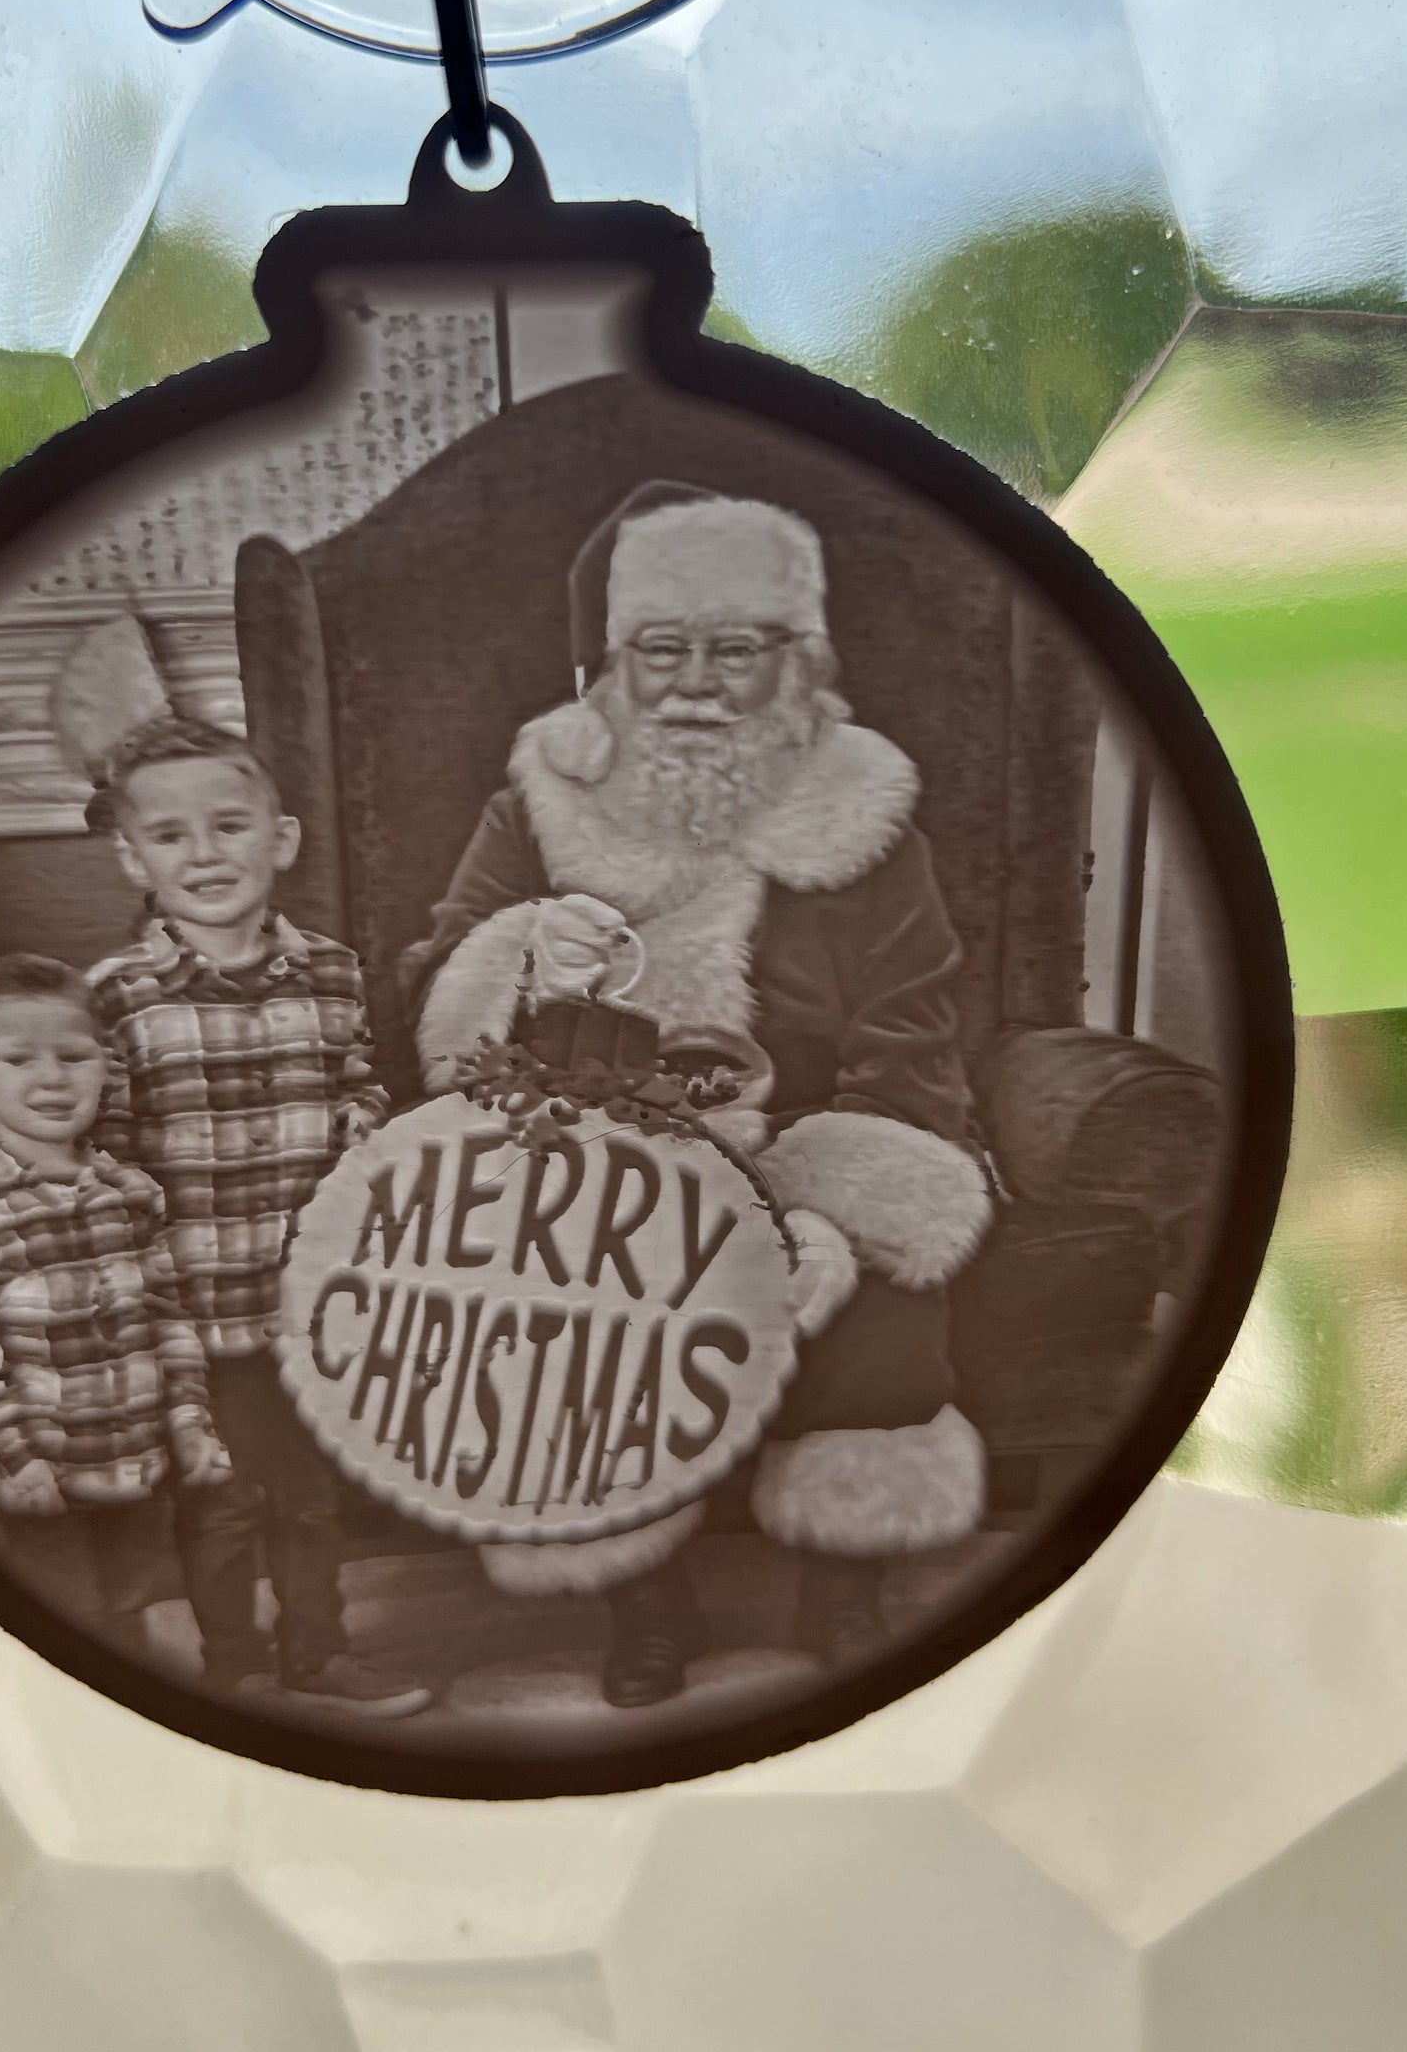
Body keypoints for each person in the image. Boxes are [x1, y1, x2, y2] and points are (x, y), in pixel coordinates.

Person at [402, 486, 995, 1707]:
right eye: (662, 649)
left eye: (736, 649)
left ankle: (844, 1586)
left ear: (798, 658)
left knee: (877, 1308)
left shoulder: (868, 818)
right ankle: (644, 1601)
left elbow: (912, 1030)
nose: (694, 684)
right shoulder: (537, 800)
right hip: (593, 1154)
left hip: (813, 1144)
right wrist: (520, 949)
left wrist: (820, 1206)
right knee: (561, 1299)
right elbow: (440, 985)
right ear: (613, 664)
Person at [85, 716, 432, 1718]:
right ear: (133, 857)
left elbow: (360, 1084)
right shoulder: (115, 997)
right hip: (190, 1311)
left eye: (228, 825)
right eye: (170, 835)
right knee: (221, 1504)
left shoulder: (333, 972)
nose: (204, 854)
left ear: (280, 840)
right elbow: (104, 1155)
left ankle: (319, 1651)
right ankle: (233, 1667)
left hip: (304, 1303)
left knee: (310, 1497)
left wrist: (363, 1127)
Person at [0, 954, 233, 1660]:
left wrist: (190, 1421)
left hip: (136, 1461)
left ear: (106, 1066)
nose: (52, 1078)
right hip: (41, 1475)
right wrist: (13, 1458)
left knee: (138, 1620)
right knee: (64, 1630)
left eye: (74, 1056)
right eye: (19, 1059)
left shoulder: (131, 1194)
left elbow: (169, 1322)